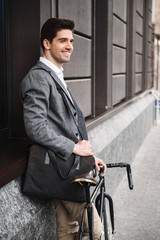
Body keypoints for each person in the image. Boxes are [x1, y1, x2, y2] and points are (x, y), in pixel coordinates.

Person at [21, 18, 106, 240]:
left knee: (68, 228)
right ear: (47, 43)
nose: (70, 46)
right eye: (63, 41)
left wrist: (90, 156)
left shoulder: (55, 75)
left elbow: (69, 128)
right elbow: (35, 127)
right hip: (60, 170)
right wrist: (75, 149)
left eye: (71, 41)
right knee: (95, 231)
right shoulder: (38, 77)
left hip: (67, 167)